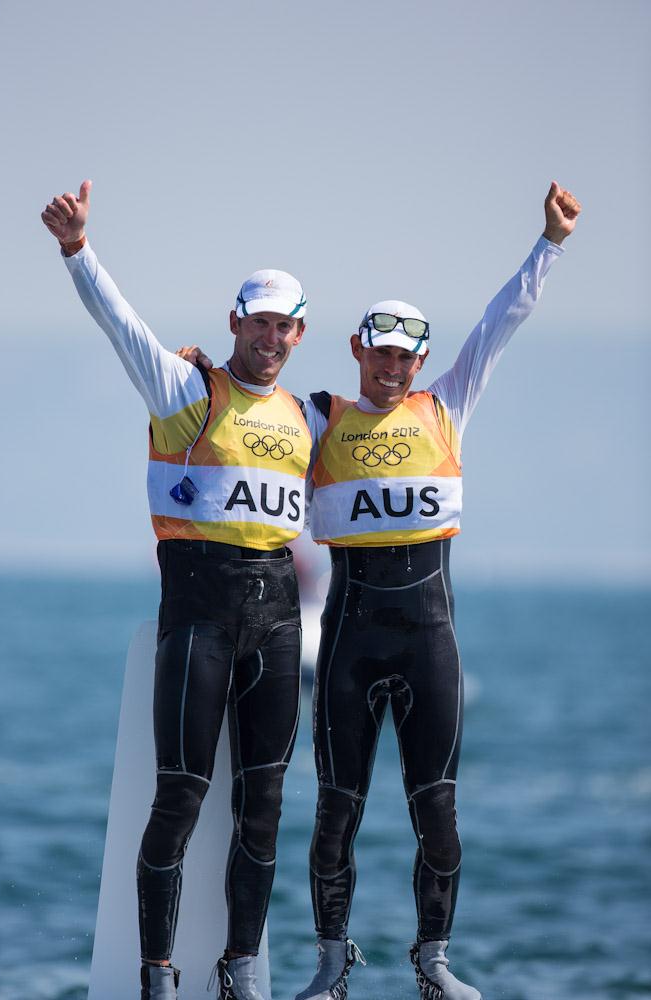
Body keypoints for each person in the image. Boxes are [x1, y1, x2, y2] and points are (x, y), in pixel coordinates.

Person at [293, 182, 581, 1000]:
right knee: (336, 810)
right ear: (357, 349)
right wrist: (200, 371)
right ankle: (330, 959)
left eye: (404, 358)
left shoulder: (446, 406)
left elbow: (504, 319)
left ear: (421, 361)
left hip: (429, 641)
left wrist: (550, 243)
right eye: (379, 354)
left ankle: (432, 961)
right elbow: (249, 411)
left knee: (438, 811)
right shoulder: (319, 418)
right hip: (349, 636)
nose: (391, 368)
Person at [41, 180, 312, 1000]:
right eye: (257, 321)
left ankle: (239, 970)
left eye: (283, 325)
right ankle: (157, 972)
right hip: (196, 610)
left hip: (277, 618)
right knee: (180, 798)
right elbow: (118, 322)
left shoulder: (310, 416)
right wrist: (77, 248)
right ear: (235, 323)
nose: (269, 336)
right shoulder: (184, 390)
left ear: (299, 334)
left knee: (261, 808)